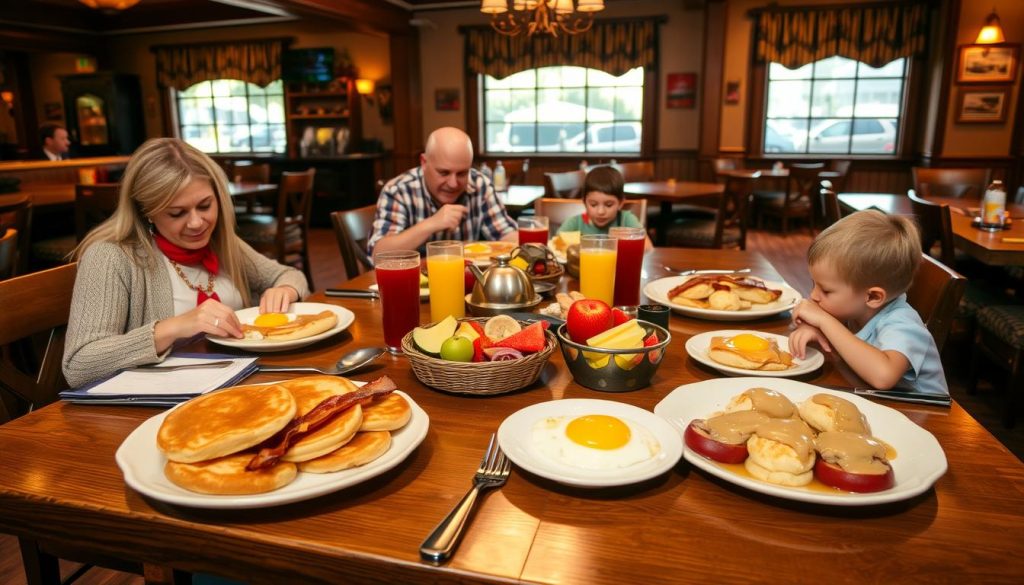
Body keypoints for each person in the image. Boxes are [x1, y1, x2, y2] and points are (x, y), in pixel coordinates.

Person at [62, 138, 309, 387]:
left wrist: (285, 290)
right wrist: (175, 327)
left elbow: (289, 275)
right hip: (156, 406)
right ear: (146, 210)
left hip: (238, 386)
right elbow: (79, 365)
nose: (196, 223)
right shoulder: (110, 256)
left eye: (205, 206)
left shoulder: (220, 242)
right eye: (176, 213)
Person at [789, 210, 947, 395]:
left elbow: (883, 376)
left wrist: (824, 321)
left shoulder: (903, 323)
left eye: (825, 290)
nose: (813, 295)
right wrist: (815, 329)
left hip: (926, 416)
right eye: (814, 284)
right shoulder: (855, 308)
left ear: (872, 297)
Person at [367, 127, 516, 257]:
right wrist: (432, 223)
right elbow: (379, 255)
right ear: (424, 163)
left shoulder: (479, 184)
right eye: (444, 173)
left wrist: (534, 240)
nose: (453, 184)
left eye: (462, 173)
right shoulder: (399, 190)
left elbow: (505, 234)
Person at [557, 165, 654, 250]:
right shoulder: (574, 223)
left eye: (609, 205)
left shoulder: (626, 220)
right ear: (584, 202)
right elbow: (555, 247)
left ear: (620, 203)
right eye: (593, 204)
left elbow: (648, 248)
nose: (601, 211)